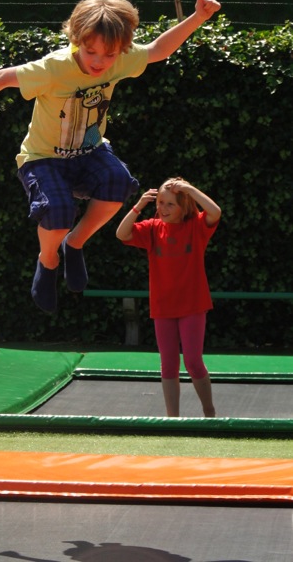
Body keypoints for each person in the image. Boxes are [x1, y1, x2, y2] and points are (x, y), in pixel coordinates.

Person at [0, 0, 221, 314]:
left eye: (108, 56)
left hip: (89, 152)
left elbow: (158, 50)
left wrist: (199, 17)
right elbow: (5, 77)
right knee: (58, 211)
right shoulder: (54, 68)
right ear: (77, 39)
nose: (98, 63)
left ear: (120, 50)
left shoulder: (121, 58)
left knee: (118, 182)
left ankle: (74, 244)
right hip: (43, 158)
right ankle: (47, 261)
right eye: (90, 52)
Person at [116, 177, 221, 417]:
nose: (163, 208)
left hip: (193, 305)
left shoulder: (196, 225)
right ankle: (172, 419)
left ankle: (209, 410)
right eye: (160, 203)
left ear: (183, 206)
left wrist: (190, 188)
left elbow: (215, 211)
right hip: (163, 308)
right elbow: (121, 234)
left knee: (193, 362)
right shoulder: (153, 228)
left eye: (170, 204)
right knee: (169, 366)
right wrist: (138, 206)